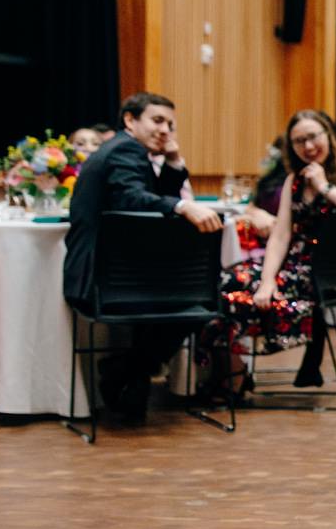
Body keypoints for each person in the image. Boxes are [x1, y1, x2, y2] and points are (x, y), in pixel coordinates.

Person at [61, 91, 224, 422]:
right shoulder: (124, 150)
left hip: (122, 277)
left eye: (171, 124)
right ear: (130, 121)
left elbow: (150, 197)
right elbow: (131, 200)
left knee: (197, 300)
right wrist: (184, 205)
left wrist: (175, 163)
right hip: (102, 280)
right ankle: (126, 371)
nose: (165, 130)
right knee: (203, 303)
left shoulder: (129, 151)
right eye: (157, 120)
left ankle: (126, 373)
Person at [212, 109, 336, 389]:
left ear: (328, 135)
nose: (308, 147)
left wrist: (324, 186)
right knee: (223, 283)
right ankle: (235, 374)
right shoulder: (293, 179)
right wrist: (266, 281)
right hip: (289, 265)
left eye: (313, 137)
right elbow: (280, 236)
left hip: (322, 272)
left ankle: (231, 383)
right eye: (299, 141)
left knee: (232, 290)